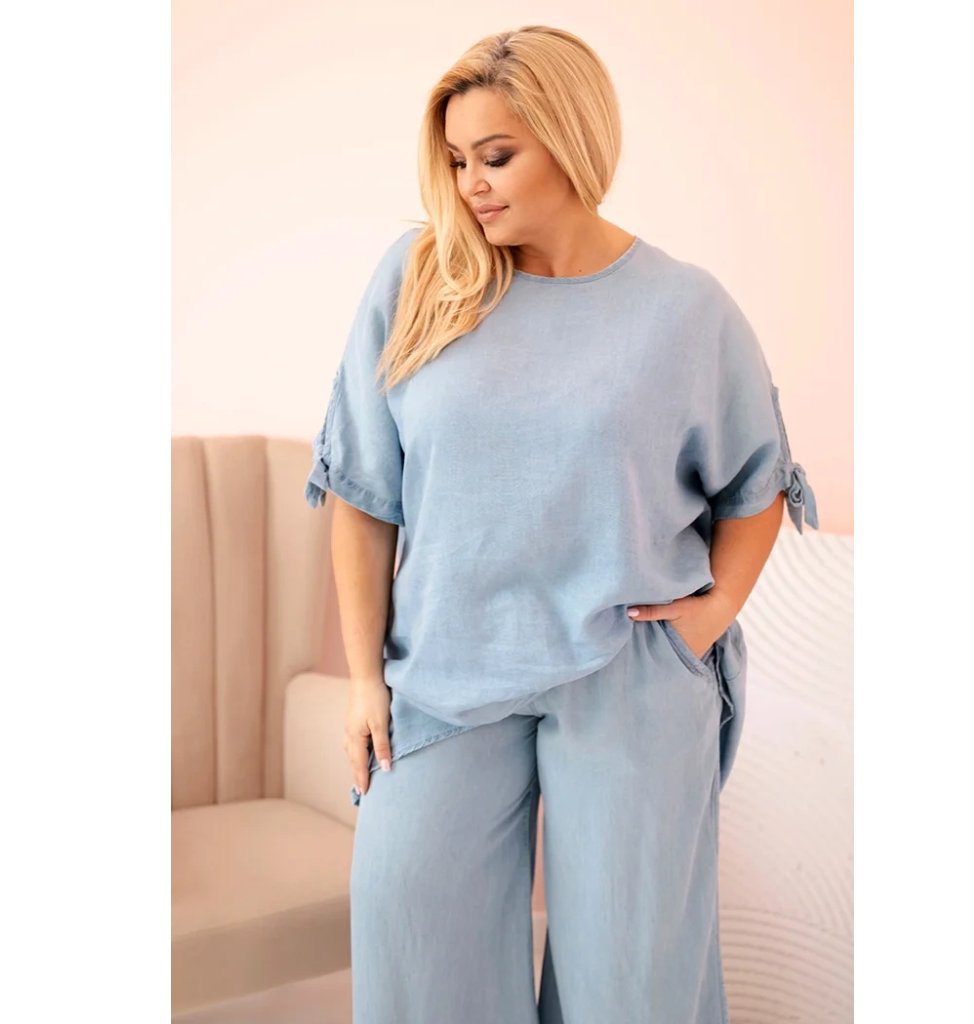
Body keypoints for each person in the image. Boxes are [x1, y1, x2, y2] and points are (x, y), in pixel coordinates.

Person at [305, 24, 819, 1024]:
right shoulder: (418, 282)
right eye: (457, 160)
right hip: (446, 671)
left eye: (496, 156)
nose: (470, 185)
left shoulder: (685, 311)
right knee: (415, 951)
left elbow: (755, 484)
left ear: (571, 140)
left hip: (629, 678)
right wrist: (366, 680)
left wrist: (708, 618)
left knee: (634, 987)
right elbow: (363, 495)